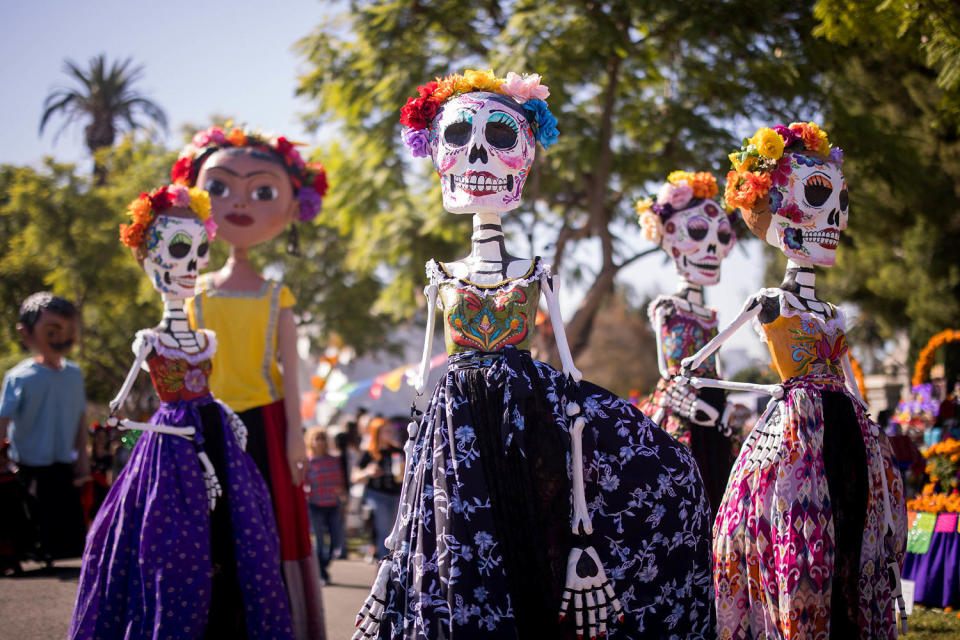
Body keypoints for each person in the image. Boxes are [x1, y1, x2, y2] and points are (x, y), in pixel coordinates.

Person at [353, 69, 713, 640]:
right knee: (462, 542)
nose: (477, 155)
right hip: (457, 420)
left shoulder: (535, 271)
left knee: (560, 515)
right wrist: (402, 525)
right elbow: (424, 378)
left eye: (499, 137)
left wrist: (587, 519)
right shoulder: (441, 274)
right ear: (438, 157)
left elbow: (569, 372)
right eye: (459, 139)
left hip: (530, 409)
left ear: (523, 157)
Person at [683, 123, 907, 638]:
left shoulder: (830, 310)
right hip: (796, 433)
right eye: (818, 197)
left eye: (840, 200)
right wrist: (768, 392)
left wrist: (872, 432)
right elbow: (695, 368)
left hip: (849, 431)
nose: (835, 217)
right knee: (801, 533)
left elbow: (849, 382)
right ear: (774, 206)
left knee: (853, 529)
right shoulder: (770, 303)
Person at [69, 184, 293, 639]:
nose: (192, 264)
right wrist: (131, 426)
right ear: (151, 261)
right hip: (171, 440)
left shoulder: (205, 339)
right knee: (171, 539)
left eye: (199, 249)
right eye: (177, 249)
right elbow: (118, 408)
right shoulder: (149, 341)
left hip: (213, 428)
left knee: (241, 533)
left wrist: (226, 415)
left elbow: (205, 389)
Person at [176, 125, 328, 639]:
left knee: (265, 528)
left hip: (265, 423)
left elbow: (290, 373)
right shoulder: (190, 292)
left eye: (262, 192)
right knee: (211, 526)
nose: (238, 203)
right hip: (204, 422)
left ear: (291, 206)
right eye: (219, 188)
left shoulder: (276, 295)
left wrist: (295, 436)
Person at [637, 170, 739, 517]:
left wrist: (722, 407)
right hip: (681, 409)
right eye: (697, 232)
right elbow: (669, 371)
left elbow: (718, 367)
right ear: (671, 238)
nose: (712, 246)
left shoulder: (711, 315)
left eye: (721, 235)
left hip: (713, 404)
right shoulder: (667, 308)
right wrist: (700, 406)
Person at [0, 292, 88, 562]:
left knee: (69, 534)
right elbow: (4, 419)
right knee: (33, 521)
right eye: (52, 331)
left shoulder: (74, 374)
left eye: (69, 330)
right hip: (28, 465)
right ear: (26, 333)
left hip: (62, 464)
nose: (62, 339)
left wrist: (83, 458)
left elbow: (81, 419)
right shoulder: (20, 377)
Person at [351, 416, 402, 561]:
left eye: (391, 431)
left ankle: (393, 564)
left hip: (396, 495)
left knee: (396, 532)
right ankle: (384, 563)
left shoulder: (397, 451)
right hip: (377, 496)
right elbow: (354, 476)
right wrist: (367, 472)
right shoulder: (369, 453)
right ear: (376, 433)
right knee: (385, 532)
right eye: (386, 431)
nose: (390, 434)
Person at [304, 427, 346, 582]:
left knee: (336, 540)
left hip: (333, 504)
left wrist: (343, 497)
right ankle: (321, 572)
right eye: (317, 438)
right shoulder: (307, 461)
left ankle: (323, 564)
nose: (320, 442)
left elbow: (341, 481)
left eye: (322, 438)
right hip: (315, 505)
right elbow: (303, 481)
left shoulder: (333, 460)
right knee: (319, 540)